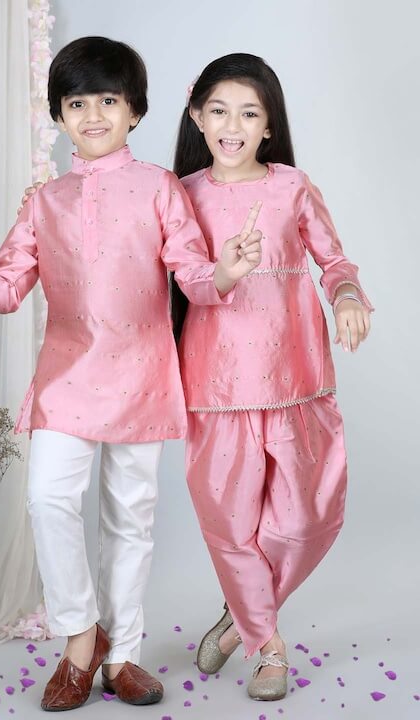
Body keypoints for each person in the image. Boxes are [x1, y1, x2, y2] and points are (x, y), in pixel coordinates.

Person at [0, 37, 261, 712]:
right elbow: (6, 288)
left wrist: (226, 272)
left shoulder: (160, 187)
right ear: (58, 116)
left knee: (131, 517)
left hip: (142, 374)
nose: (93, 115)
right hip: (67, 376)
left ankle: (122, 654)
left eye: (108, 100)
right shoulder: (45, 201)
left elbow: (193, 275)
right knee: (48, 499)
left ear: (135, 111)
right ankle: (81, 636)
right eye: (76, 103)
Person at [171, 53, 373, 701]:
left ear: (268, 125)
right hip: (215, 387)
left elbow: (334, 261)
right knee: (231, 527)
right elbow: (179, 277)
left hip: (296, 381)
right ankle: (269, 648)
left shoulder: (292, 187)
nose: (232, 126)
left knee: (306, 519)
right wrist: (224, 272)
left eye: (249, 113)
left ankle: (239, 618)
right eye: (219, 110)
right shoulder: (180, 195)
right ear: (197, 115)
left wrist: (347, 298)